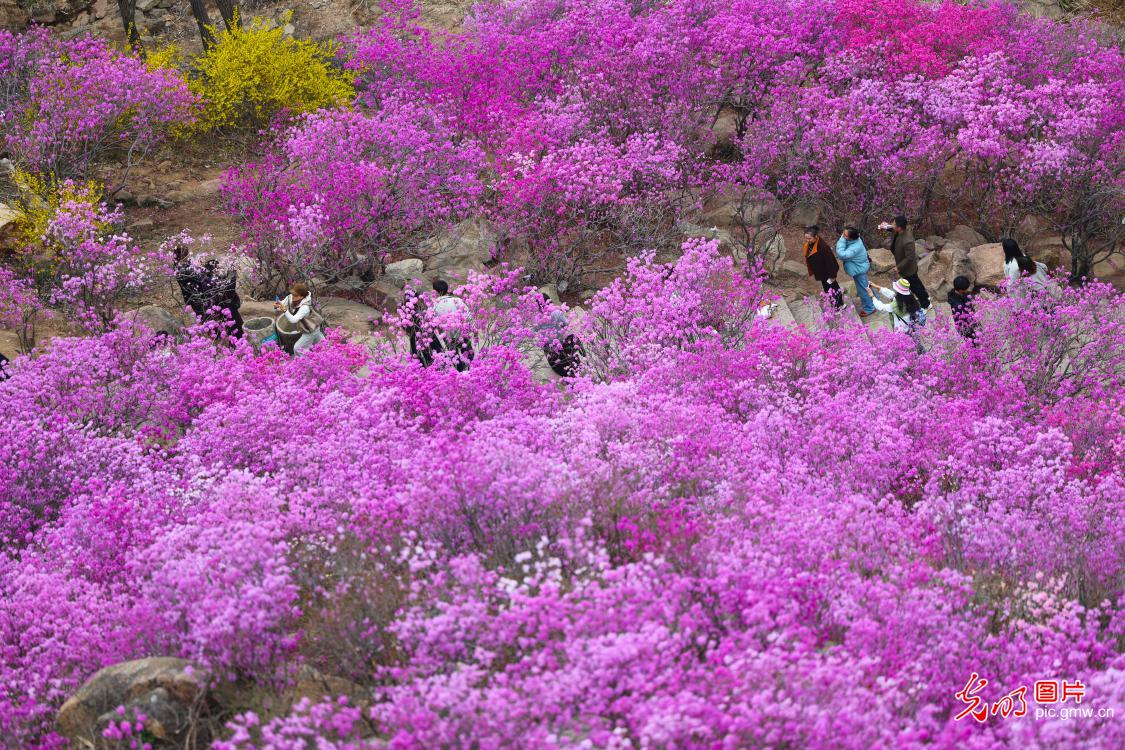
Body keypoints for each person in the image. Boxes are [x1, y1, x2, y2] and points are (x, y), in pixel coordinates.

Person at [173, 245, 243, 338]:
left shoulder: (178, 266)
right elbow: (204, 280)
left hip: (197, 296)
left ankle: (215, 333)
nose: (189, 257)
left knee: (207, 315)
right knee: (209, 314)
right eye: (187, 255)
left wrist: (200, 267)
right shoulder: (184, 271)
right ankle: (217, 334)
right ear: (184, 256)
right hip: (199, 298)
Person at [879, 215, 930, 311]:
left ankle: (926, 304)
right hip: (904, 266)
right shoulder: (900, 230)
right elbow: (893, 229)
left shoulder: (908, 240)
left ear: (899, 227)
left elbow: (909, 258)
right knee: (916, 283)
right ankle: (926, 297)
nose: (892, 225)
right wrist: (886, 226)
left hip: (908, 269)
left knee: (915, 287)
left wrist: (898, 267)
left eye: (894, 224)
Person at [869, 278, 928, 346]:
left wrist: (872, 296)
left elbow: (881, 307)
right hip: (912, 325)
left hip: (902, 330)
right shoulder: (909, 297)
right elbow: (890, 294)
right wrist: (875, 286)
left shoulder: (896, 304)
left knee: (906, 346)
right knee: (916, 342)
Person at [431, 279, 474, 371]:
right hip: (462, 333)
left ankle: (460, 373)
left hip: (448, 336)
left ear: (436, 291)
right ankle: (472, 372)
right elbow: (468, 316)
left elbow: (433, 323)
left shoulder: (434, 305)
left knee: (455, 358)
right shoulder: (457, 300)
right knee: (469, 354)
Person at [274, 282, 324, 356]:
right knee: (323, 345)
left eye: (295, 295)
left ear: (301, 297)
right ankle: (325, 356)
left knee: (297, 349)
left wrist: (285, 310)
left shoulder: (305, 307)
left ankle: (308, 360)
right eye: (293, 294)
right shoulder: (291, 297)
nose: (293, 296)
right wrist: (277, 305)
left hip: (310, 330)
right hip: (313, 328)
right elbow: (281, 304)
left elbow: (293, 320)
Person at [538, 294, 583, 377]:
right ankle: (580, 355)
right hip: (562, 347)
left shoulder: (538, 318)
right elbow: (566, 325)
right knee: (573, 336)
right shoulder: (556, 313)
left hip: (552, 356)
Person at [835, 226, 874, 317]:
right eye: (843, 233)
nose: (843, 236)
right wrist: (844, 238)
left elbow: (842, 254)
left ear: (851, 238)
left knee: (863, 290)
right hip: (860, 267)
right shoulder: (855, 239)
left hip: (859, 270)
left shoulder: (855, 247)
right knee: (866, 285)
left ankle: (870, 308)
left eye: (845, 235)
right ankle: (874, 300)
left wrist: (841, 240)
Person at [803, 225, 843, 308]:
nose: (807, 240)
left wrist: (832, 276)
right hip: (822, 273)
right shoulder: (811, 244)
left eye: (809, 238)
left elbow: (830, 263)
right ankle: (836, 305)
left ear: (815, 237)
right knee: (828, 288)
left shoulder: (823, 247)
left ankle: (838, 306)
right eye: (806, 238)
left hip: (828, 273)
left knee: (832, 288)